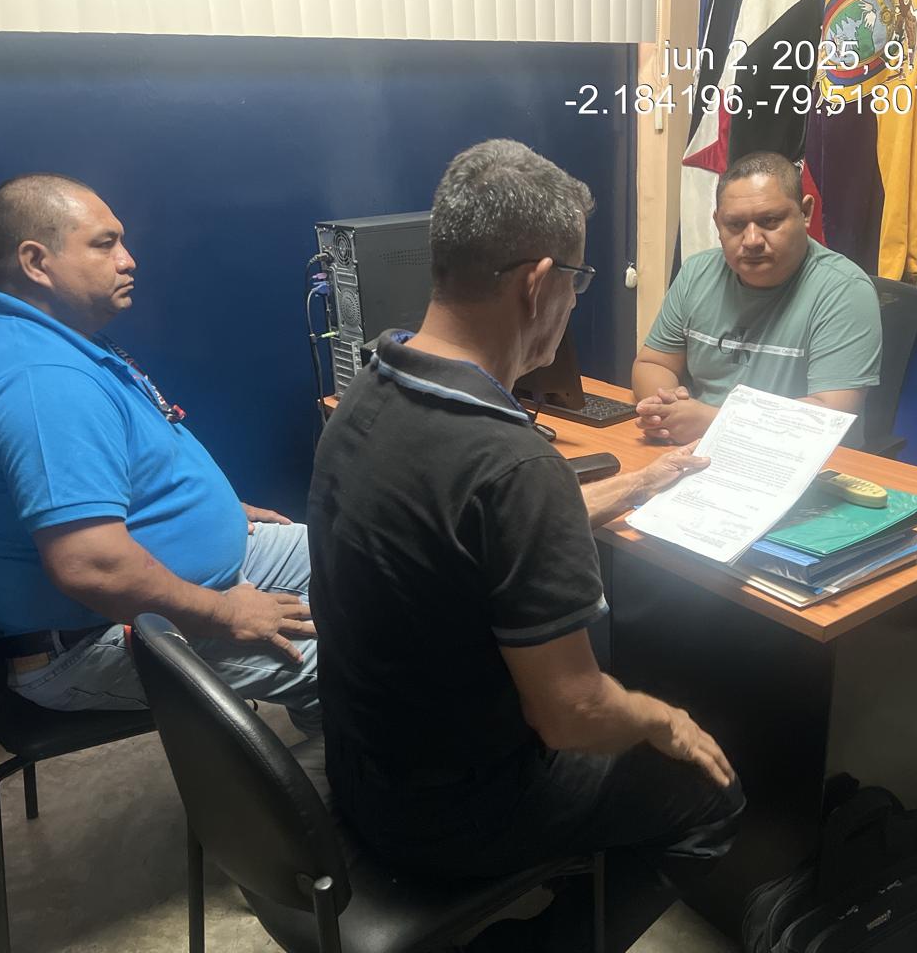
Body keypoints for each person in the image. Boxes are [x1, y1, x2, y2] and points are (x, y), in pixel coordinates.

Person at [308, 140, 745, 952]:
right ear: (539, 282)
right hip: (451, 814)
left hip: (362, 772)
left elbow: (465, 534)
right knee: (708, 792)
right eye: (577, 281)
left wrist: (638, 485)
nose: (574, 301)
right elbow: (572, 716)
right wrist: (660, 718)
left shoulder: (369, 389)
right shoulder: (512, 463)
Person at [0, 173, 320, 732]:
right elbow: (92, 567)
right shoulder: (41, 380)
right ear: (36, 262)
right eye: (105, 244)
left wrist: (210, 511)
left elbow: (118, 473)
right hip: (92, 639)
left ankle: (343, 740)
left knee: (371, 556)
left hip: (211, 568)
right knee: (363, 665)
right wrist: (228, 612)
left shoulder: (58, 337)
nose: (129, 259)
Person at [632, 151, 882, 445]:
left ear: (805, 213)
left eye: (770, 221)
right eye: (735, 225)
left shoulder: (844, 290)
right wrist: (666, 408)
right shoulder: (696, 273)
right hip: (695, 451)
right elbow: (653, 364)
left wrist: (711, 423)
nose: (752, 240)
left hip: (799, 459)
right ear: (717, 223)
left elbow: (828, 413)